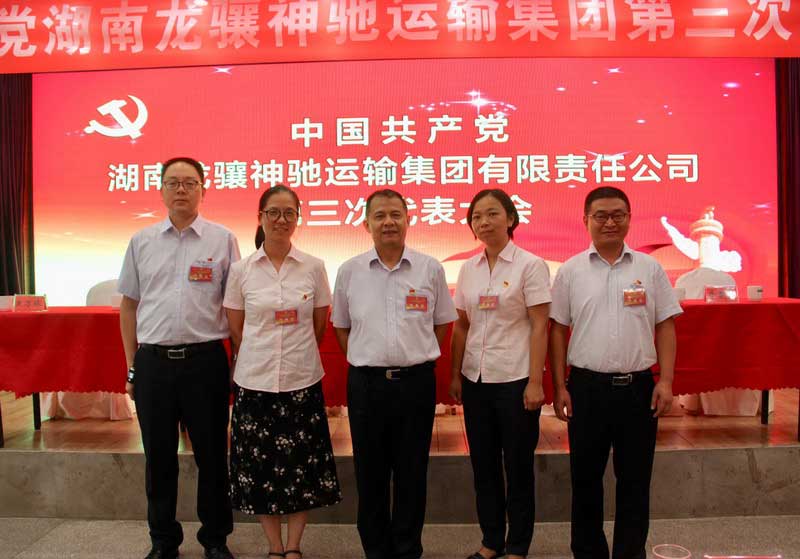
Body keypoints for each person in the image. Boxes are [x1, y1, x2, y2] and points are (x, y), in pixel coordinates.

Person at [549, 186, 682, 559]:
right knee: (585, 480)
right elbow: (557, 330)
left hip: (638, 389)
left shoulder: (649, 268)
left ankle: (630, 552)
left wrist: (666, 381)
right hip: (587, 388)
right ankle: (588, 553)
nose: (610, 222)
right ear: (586, 220)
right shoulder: (571, 271)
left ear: (629, 218)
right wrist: (559, 386)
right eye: (601, 215)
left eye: (618, 215)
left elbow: (666, 325)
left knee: (635, 481)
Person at [118, 156, 240, 559]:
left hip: (206, 362)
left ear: (204, 189)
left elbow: (235, 306)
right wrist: (132, 365)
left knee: (212, 456)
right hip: (153, 363)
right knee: (158, 457)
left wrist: (237, 361)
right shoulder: (141, 241)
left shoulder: (222, 240)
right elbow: (129, 306)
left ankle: (215, 539)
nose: (182, 189)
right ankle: (163, 540)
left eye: (190, 182)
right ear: (161, 190)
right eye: (173, 182)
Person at [331, 189, 458, 559]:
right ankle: (375, 550)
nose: (388, 222)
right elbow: (341, 327)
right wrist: (367, 358)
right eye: (380, 215)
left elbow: (441, 324)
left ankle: (407, 549)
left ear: (408, 220)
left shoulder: (430, 268)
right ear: (366, 223)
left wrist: (414, 356)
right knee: (369, 473)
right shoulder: (350, 271)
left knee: (411, 472)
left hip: (416, 384)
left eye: (395, 215)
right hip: (367, 385)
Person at [224, 185, 341, 559]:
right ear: (260, 217)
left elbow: (319, 326)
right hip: (255, 380)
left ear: (298, 219)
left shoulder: (314, 267)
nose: (281, 219)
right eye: (273, 212)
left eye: (289, 213)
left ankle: (294, 546)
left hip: (300, 379)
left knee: (300, 467)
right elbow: (236, 329)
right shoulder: (241, 270)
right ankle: (274, 546)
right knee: (260, 468)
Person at [449, 189, 551, 559]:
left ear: (510, 219)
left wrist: (536, 381)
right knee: (484, 466)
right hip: (476, 381)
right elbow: (462, 326)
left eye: (492, 214)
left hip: (516, 381)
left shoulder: (530, 265)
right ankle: (492, 541)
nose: (484, 222)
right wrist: (456, 375)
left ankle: (518, 545)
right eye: (476, 217)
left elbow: (540, 325)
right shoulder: (468, 269)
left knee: (518, 467)